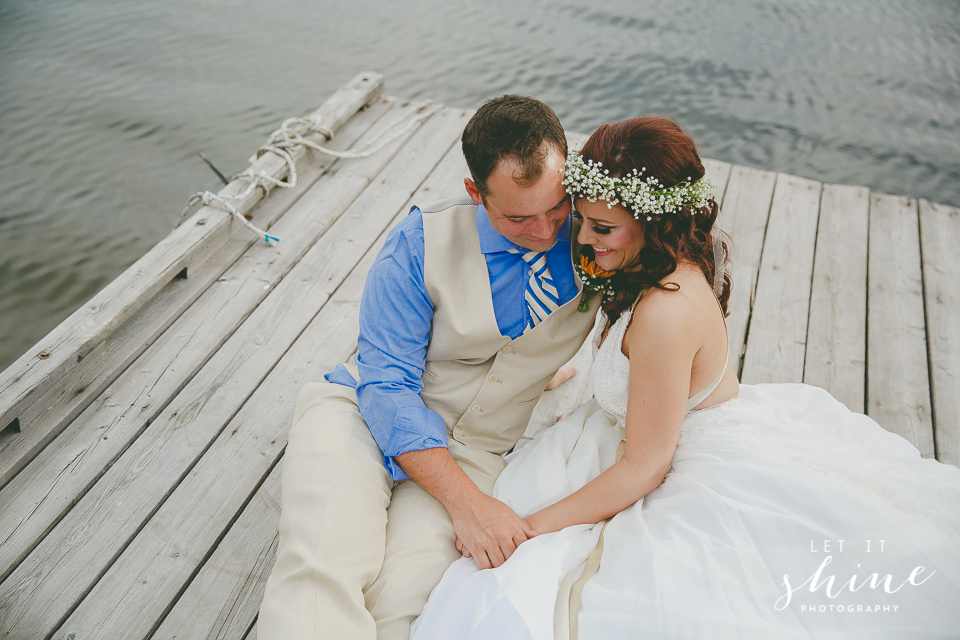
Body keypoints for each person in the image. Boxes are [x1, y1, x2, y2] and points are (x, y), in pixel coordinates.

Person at [410, 116, 960, 639]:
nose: (581, 240)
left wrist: (530, 529)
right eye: (581, 219)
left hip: (675, 462)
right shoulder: (650, 263)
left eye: (602, 227)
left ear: (652, 222)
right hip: (634, 437)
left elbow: (646, 467)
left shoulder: (665, 313)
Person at [257, 95, 601, 640]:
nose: (544, 231)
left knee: (403, 608)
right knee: (320, 569)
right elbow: (386, 383)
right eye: (518, 216)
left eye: (556, 208)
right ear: (475, 193)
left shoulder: (599, 238)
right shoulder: (418, 243)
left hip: (478, 449)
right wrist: (467, 505)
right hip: (363, 414)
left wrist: (542, 375)